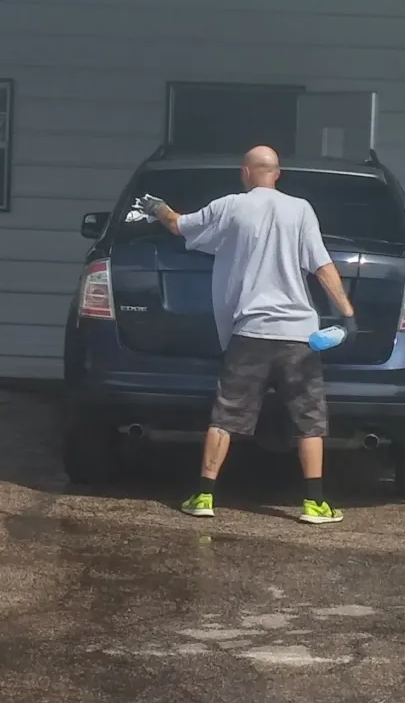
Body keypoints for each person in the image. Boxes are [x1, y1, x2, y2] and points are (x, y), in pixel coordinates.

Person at [143, 145, 356, 525]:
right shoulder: (301, 209)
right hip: (299, 335)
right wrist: (347, 313)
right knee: (309, 418)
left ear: (245, 172)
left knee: (226, 416)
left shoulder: (230, 207)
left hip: (250, 331)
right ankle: (314, 503)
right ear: (277, 173)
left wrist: (156, 206)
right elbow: (322, 265)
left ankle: (204, 496)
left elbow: (178, 225)